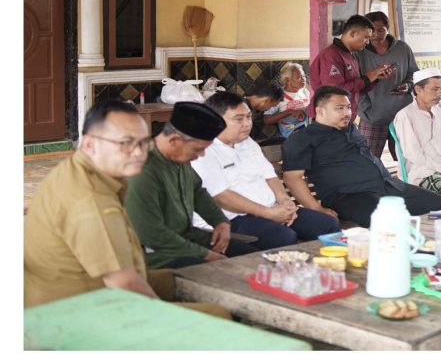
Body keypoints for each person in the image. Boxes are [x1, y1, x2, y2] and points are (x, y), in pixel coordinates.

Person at [24, 100, 229, 319]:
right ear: (90, 145)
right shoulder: (91, 202)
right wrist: (167, 318)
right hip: (73, 311)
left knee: (185, 279)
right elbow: (124, 284)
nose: (137, 153)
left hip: (99, 284)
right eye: (125, 143)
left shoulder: (80, 170)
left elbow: (197, 190)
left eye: (142, 143)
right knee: (217, 314)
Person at [281, 85, 441, 227]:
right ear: (320, 111)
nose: (347, 113)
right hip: (350, 196)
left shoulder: (350, 128)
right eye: (339, 108)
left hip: (389, 186)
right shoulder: (302, 138)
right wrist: (316, 209)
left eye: (348, 107)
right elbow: (292, 178)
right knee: (390, 222)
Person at [191, 92, 340, 250]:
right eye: (239, 119)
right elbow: (221, 197)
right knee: (283, 236)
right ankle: (280, 274)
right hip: (232, 218)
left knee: (327, 224)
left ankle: (324, 270)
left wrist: (285, 201)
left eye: (248, 117)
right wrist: (268, 214)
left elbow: (269, 176)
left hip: (270, 208)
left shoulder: (247, 142)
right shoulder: (204, 149)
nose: (247, 123)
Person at [125, 102, 259, 269]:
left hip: (187, 238)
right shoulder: (141, 170)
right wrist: (206, 255)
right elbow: (150, 233)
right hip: (155, 254)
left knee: (251, 258)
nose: (201, 155)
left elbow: (197, 191)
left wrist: (220, 222)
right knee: (220, 270)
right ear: (174, 140)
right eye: (198, 149)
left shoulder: (179, 156)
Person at [393, 67, 441, 203]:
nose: (439, 93)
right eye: (434, 89)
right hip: (423, 172)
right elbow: (415, 156)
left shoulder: (439, 113)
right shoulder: (405, 116)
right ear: (418, 89)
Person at [355, 11, 419, 159]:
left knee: (407, 159)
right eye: (372, 31)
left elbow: (414, 74)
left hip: (402, 114)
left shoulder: (402, 48)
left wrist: (407, 86)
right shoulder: (359, 52)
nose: (376, 35)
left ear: (388, 29)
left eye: (380, 30)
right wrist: (365, 109)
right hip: (371, 117)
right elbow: (356, 84)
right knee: (367, 160)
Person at [307, 14, 395, 121]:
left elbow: (356, 88)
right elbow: (334, 92)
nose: (367, 42)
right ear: (353, 33)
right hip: (327, 120)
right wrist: (366, 78)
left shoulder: (350, 55)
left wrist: (375, 78)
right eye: (366, 38)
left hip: (344, 118)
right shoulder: (331, 55)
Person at [262, 62, 311, 138]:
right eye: (299, 77)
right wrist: (290, 112)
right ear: (287, 80)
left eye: (303, 76)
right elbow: (267, 120)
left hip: (307, 125)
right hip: (292, 130)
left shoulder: (306, 92)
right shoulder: (278, 95)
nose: (303, 79)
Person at [246, 80, 285, 145]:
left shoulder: (246, 105)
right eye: (272, 105)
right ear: (267, 100)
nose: (268, 109)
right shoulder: (241, 111)